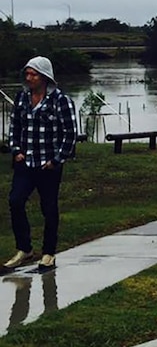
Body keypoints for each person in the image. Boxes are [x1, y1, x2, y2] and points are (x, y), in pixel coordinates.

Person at [4, 56, 77, 272]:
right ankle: (24, 249)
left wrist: (56, 160)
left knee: (49, 207)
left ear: (45, 77)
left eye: (33, 74)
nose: (29, 78)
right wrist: (16, 150)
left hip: (48, 165)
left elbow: (70, 134)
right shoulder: (22, 98)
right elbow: (14, 127)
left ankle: (48, 253)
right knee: (15, 201)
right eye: (27, 74)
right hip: (25, 163)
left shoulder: (60, 101)